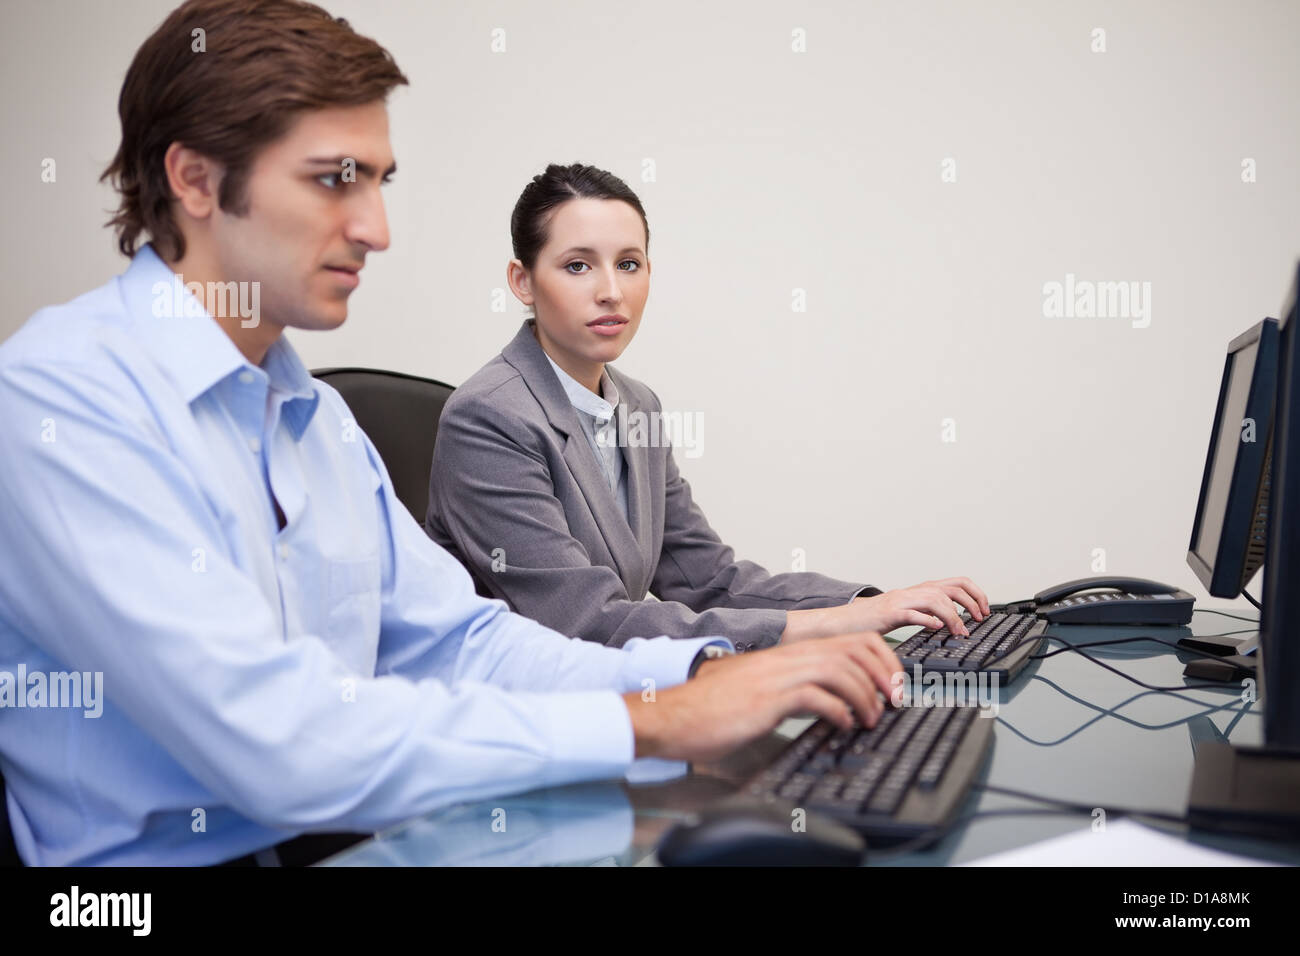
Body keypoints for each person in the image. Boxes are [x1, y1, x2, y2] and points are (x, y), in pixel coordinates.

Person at [0, 0, 901, 866]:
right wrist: (652, 718)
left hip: (368, 838)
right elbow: (279, 740)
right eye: (332, 181)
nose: (376, 230)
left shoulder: (316, 418)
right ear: (194, 178)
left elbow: (461, 640)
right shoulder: (63, 402)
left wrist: (696, 678)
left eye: (380, 184)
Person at [425, 163, 991, 651]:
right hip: (524, 724)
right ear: (522, 281)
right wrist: (839, 623)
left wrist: (876, 603)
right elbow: (586, 624)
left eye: (629, 263)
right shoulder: (489, 417)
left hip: (622, 701)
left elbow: (709, 580)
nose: (611, 291)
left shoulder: (637, 407)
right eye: (577, 265)